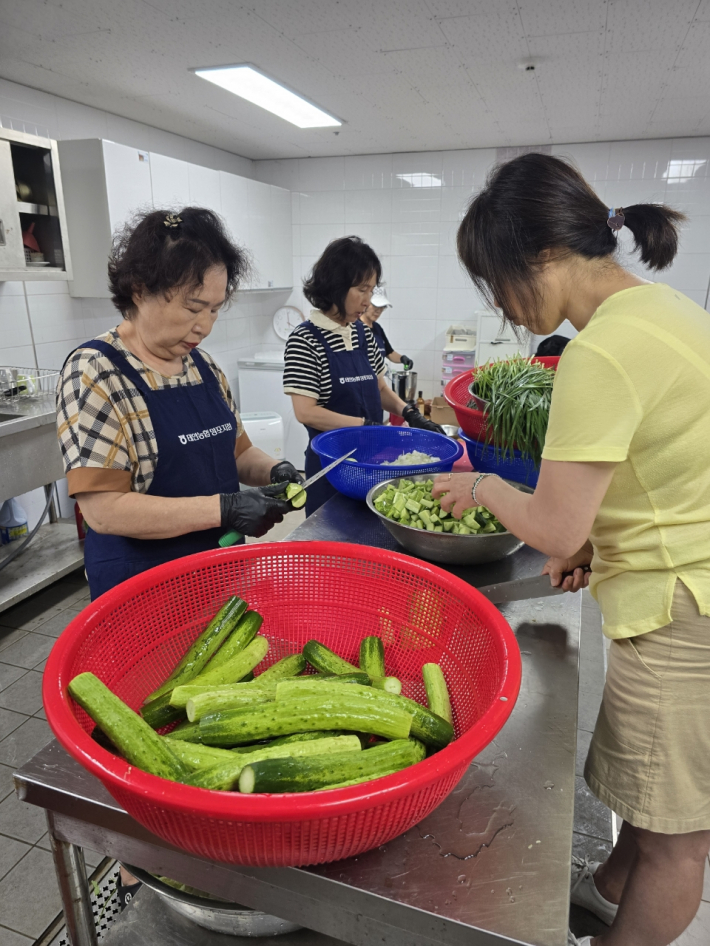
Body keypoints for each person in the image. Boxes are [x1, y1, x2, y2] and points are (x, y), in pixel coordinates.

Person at [432, 153, 710, 946]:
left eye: (496, 283)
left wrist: (486, 490)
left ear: (542, 257)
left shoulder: (599, 352)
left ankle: (628, 906)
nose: (503, 305)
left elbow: (550, 529)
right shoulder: (665, 310)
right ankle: (600, 893)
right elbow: (671, 463)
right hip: (692, 580)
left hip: (683, 609)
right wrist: (599, 539)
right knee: (661, 808)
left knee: (677, 840)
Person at [56, 208, 303, 603]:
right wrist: (225, 509)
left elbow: (238, 453)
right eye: (193, 307)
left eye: (215, 309)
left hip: (223, 571)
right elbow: (105, 510)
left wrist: (277, 469)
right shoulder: (96, 372)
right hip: (145, 586)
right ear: (140, 289)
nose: (205, 325)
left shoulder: (203, 366)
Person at [284, 236, 443, 515]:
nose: (368, 300)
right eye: (362, 289)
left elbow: (380, 388)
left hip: (372, 461)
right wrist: (366, 425)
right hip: (331, 467)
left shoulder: (363, 333)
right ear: (335, 286)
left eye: (371, 290)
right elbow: (306, 412)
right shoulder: (305, 340)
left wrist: (410, 413)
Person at [360, 287, 414, 369]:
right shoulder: (356, 328)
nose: (378, 311)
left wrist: (402, 358)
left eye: (382, 307)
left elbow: (389, 353)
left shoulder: (377, 328)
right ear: (366, 303)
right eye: (375, 306)